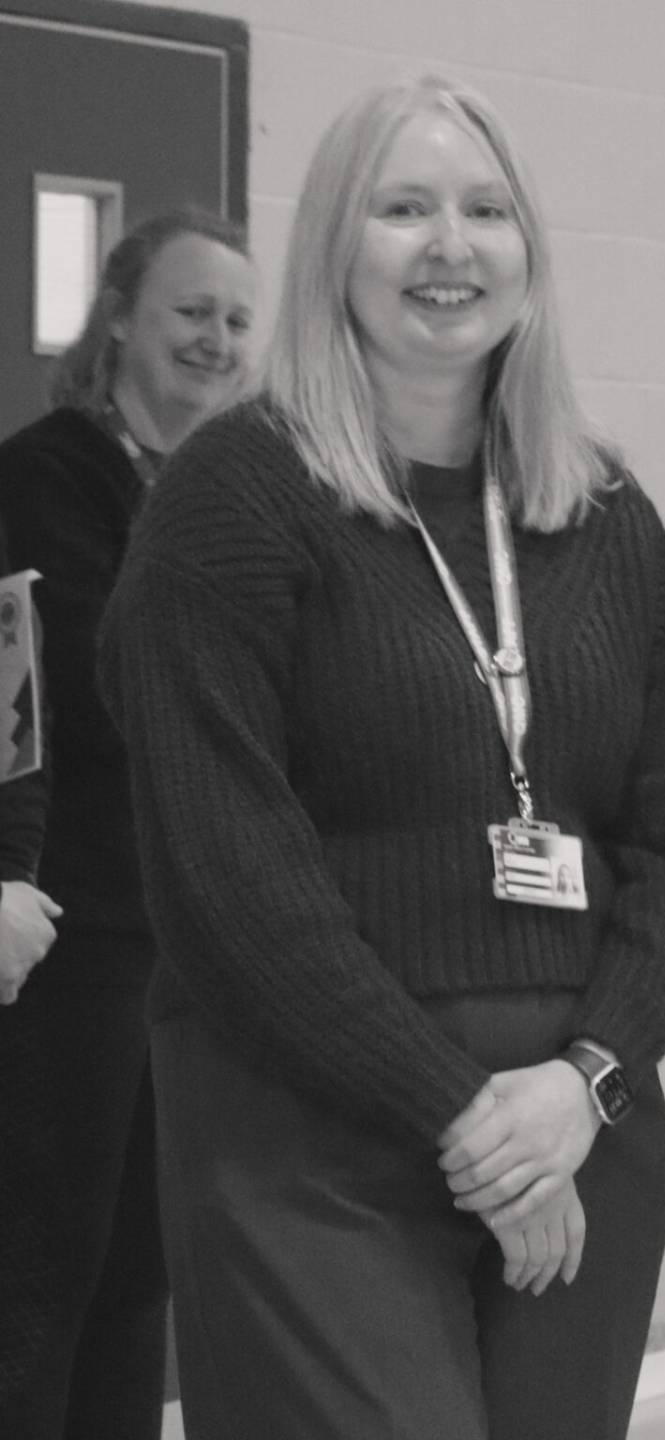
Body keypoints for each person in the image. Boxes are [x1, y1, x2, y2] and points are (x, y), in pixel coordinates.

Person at [95, 76, 665, 1439]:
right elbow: (228, 877)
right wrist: (467, 1122)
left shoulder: (605, 515)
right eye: (404, 209)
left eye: (486, 210)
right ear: (335, 244)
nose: (451, 246)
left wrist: (588, 1082)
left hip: (577, 1125)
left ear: (530, 254)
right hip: (310, 1126)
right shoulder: (234, 496)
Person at [0, 207, 255, 1440]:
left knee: (141, 1274)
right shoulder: (50, 472)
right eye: (191, 312)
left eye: (239, 321)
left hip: (178, 942)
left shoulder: (222, 489)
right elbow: (90, 691)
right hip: (69, 936)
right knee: (43, 1266)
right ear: (120, 323)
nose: (219, 340)